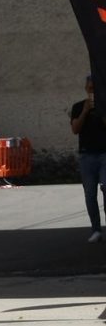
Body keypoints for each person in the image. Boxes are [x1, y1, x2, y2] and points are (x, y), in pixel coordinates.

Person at [70, 74, 106, 243]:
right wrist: (85, 111)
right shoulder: (78, 106)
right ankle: (96, 229)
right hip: (86, 155)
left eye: (95, 88)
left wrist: (101, 110)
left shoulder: (104, 105)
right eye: (90, 88)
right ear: (86, 88)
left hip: (104, 154)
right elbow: (75, 129)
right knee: (90, 194)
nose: (92, 91)